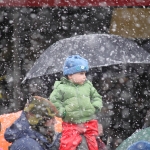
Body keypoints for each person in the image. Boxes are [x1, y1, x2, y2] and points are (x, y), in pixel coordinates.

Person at [49, 55, 103, 150]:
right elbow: (53, 100)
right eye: (81, 73)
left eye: (85, 74)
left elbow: (97, 97)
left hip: (89, 122)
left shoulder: (88, 86)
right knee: (67, 145)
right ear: (70, 75)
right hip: (71, 124)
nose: (84, 77)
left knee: (93, 144)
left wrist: (95, 107)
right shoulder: (61, 87)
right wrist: (62, 111)